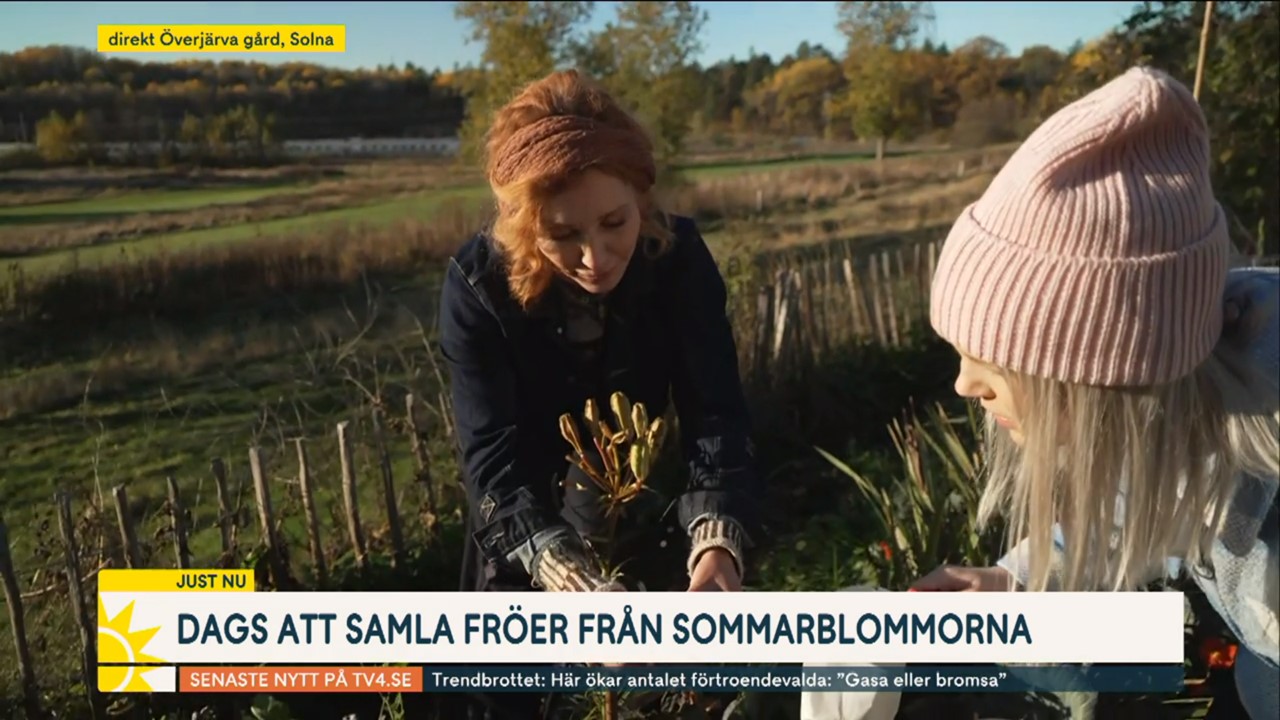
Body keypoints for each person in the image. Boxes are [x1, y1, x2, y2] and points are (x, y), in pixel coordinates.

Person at [803, 66, 1279, 719]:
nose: (964, 384)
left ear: (1100, 381)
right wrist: (1020, 578)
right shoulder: (1172, 411)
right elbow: (1127, 504)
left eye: (994, 364)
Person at [436, 69, 762, 717]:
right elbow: (492, 459)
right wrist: (575, 584)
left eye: (615, 222)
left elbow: (715, 409)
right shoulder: (477, 291)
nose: (596, 256)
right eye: (563, 235)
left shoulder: (679, 261)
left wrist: (718, 547)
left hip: (645, 498)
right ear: (526, 230)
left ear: (642, 196)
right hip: (521, 528)